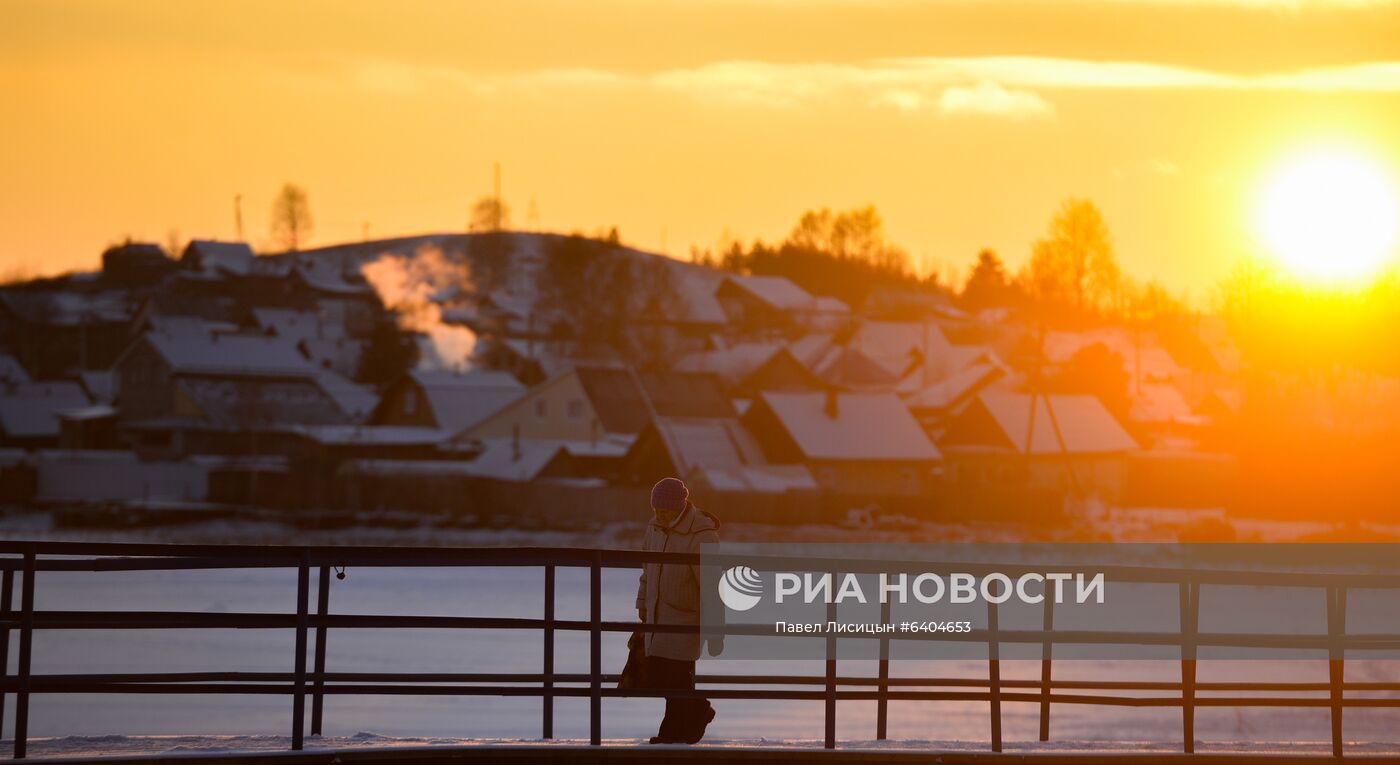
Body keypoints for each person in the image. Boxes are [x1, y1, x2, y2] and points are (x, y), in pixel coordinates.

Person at [636, 477, 723, 744]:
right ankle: (695, 714)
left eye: (665, 510)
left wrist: (715, 629)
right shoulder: (654, 528)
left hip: (684, 618)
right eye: (656, 510)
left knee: (676, 679)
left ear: (679, 506)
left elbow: (712, 585)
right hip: (658, 617)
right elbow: (647, 570)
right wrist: (642, 604)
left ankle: (672, 734)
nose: (660, 515)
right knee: (661, 676)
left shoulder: (701, 534)